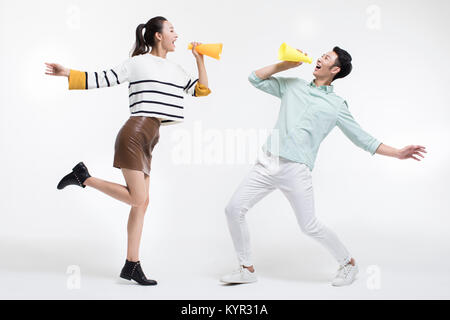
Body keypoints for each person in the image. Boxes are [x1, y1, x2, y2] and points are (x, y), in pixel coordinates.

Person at [220, 46, 426, 286]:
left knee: (308, 226)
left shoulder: (337, 105)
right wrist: (284, 64)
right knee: (233, 209)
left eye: (326, 58)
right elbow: (255, 78)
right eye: (322, 55)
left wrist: (398, 153)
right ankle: (246, 268)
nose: (319, 58)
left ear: (335, 69)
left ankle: (348, 264)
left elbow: (362, 138)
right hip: (268, 161)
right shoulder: (293, 85)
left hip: (296, 170)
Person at [45, 16, 211, 286]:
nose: (176, 35)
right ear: (158, 36)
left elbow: (202, 91)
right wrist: (67, 73)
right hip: (135, 133)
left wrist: (199, 59)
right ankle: (83, 177)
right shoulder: (138, 63)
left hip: (150, 137)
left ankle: (131, 265)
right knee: (137, 198)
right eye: (171, 30)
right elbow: (104, 78)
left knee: (142, 203)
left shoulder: (177, 70)